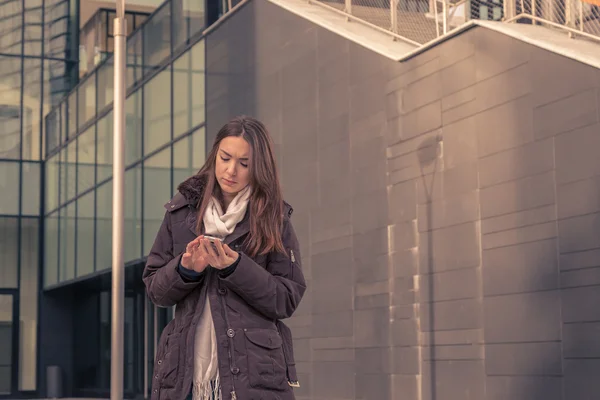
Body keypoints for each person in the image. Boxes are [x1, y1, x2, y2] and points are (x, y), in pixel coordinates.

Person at [143, 116, 306, 400]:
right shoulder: (181, 212)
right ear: (214, 155)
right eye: (225, 158)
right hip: (185, 377)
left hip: (253, 378)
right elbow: (156, 291)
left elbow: (286, 297)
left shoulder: (273, 218)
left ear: (258, 168)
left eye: (244, 164)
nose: (231, 170)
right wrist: (185, 269)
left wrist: (235, 267)